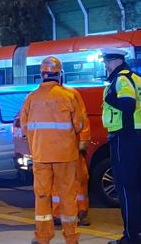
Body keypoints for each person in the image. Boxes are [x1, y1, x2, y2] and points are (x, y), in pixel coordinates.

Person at [20, 56, 84, 244]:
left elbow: (24, 127)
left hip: (41, 156)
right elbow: (79, 124)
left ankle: (43, 238)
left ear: (42, 75)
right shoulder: (70, 96)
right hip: (66, 156)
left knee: (42, 196)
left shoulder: (31, 98)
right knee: (67, 197)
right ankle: (71, 238)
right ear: (59, 74)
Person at [101, 48, 141, 244]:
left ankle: (131, 238)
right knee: (140, 188)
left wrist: (109, 98)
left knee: (126, 189)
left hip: (125, 137)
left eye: (106, 62)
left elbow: (127, 105)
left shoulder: (121, 80)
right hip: (140, 135)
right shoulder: (139, 78)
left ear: (115, 61)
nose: (105, 66)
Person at [53, 88, 91, 227]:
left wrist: (83, 141)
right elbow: (83, 119)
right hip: (66, 147)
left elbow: (82, 118)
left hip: (64, 147)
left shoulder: (43, 96)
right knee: (72, 180)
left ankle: (76, 213)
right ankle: (71, 213)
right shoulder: (70, 94)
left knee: (74, 180)